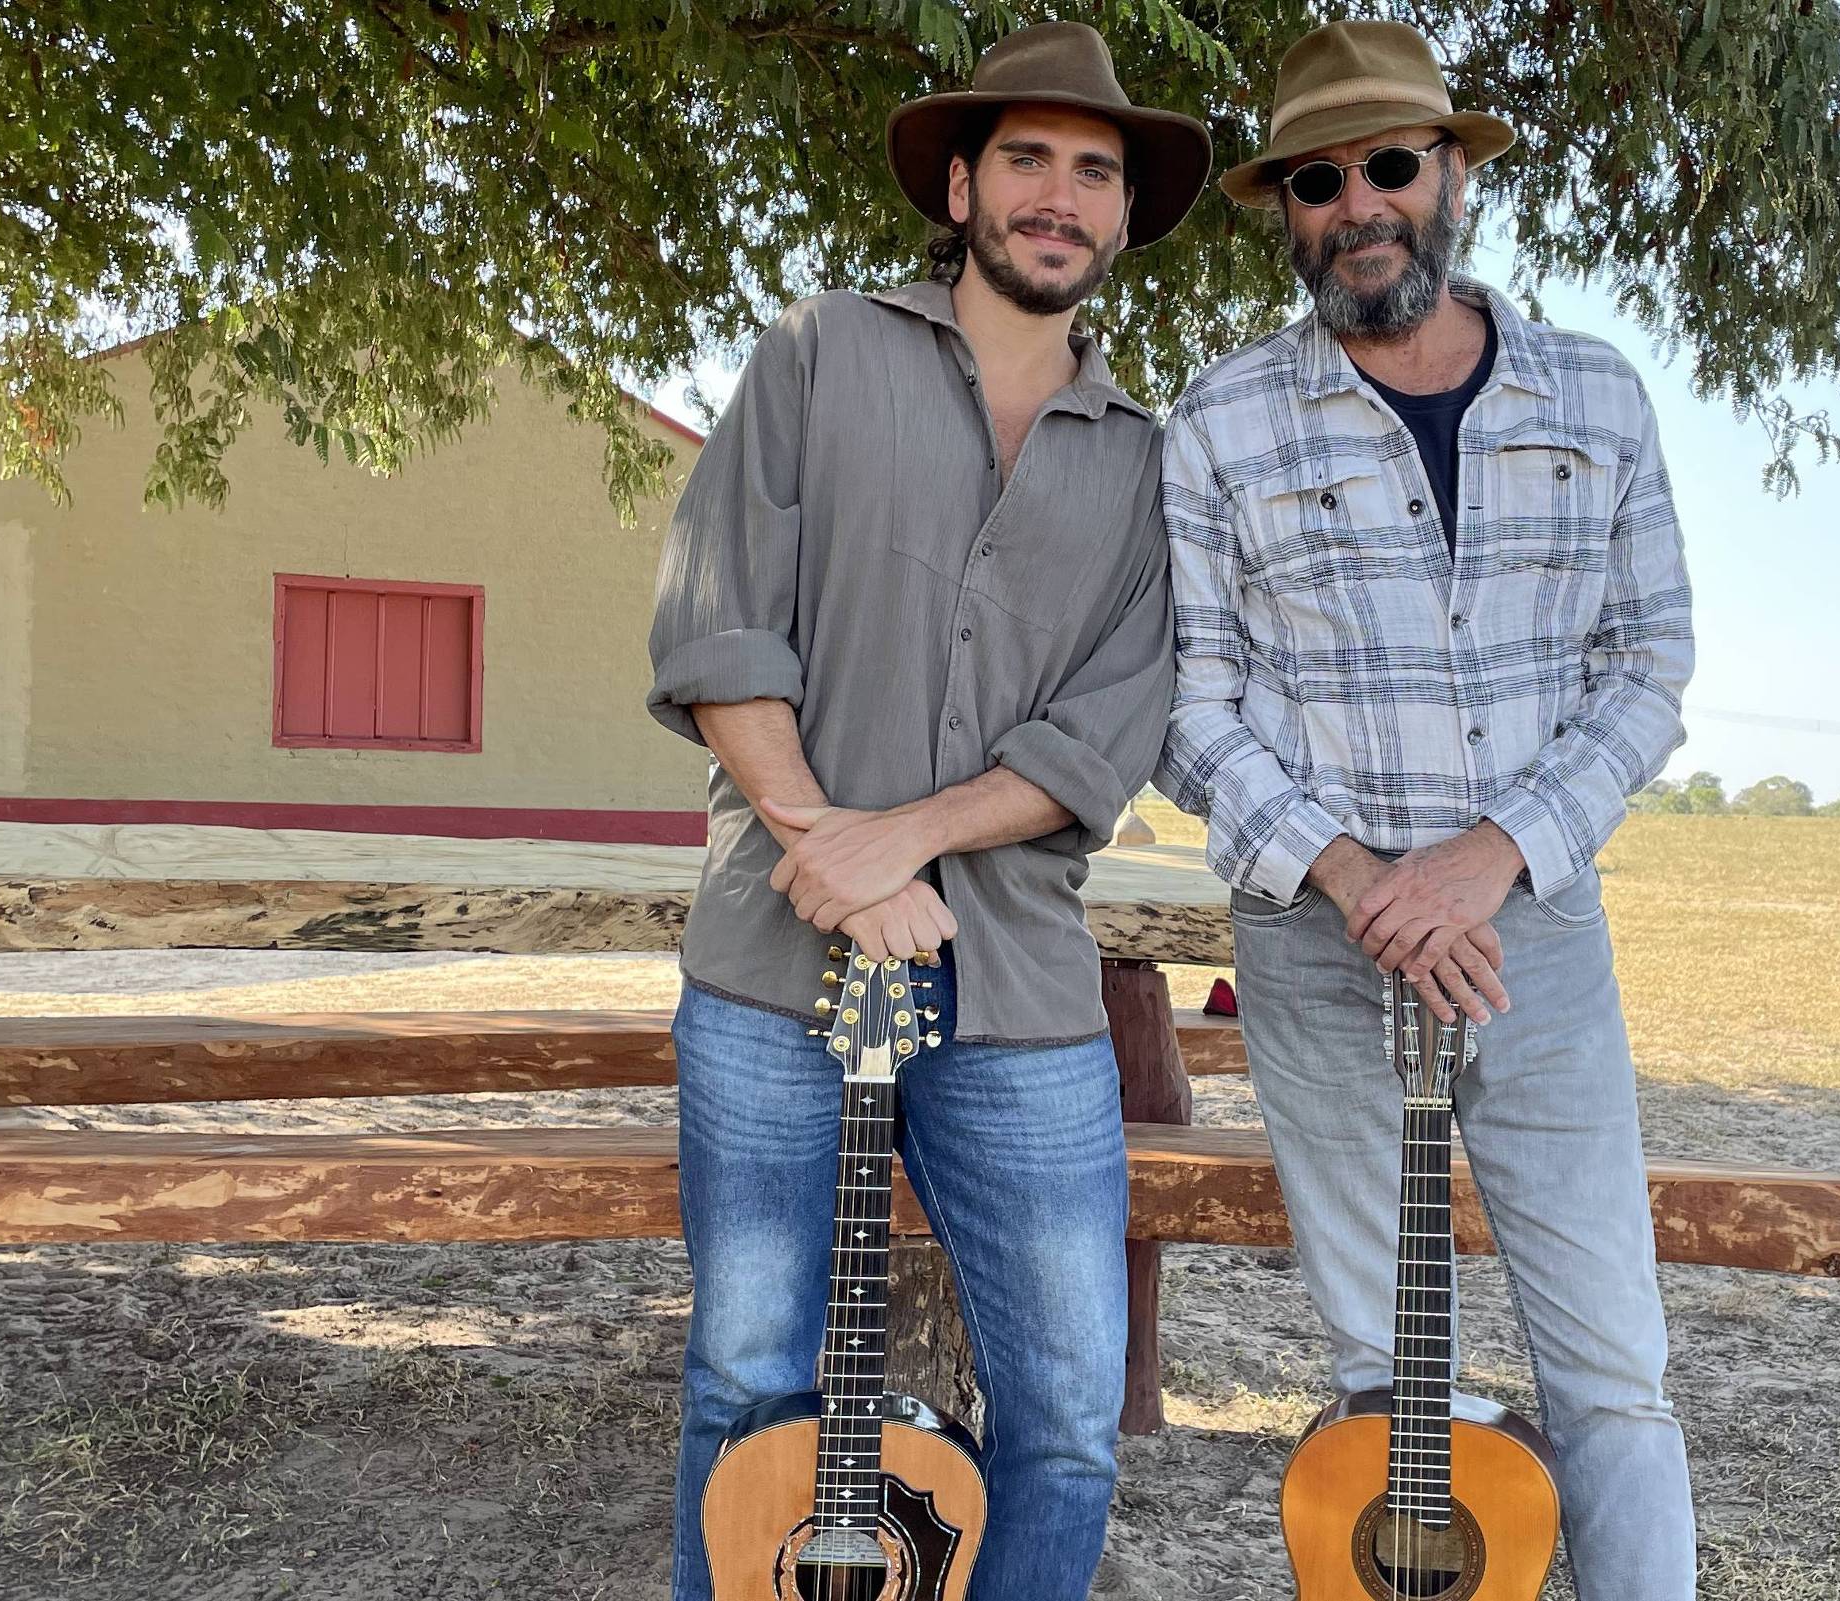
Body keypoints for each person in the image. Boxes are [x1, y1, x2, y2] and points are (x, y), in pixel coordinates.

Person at [643, 22, 1209, 1599]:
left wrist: (909, 837)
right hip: (772, 960)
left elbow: (1107, 730)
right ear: (960, 184)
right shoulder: (818, 355)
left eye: (1095, 173)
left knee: (1072, 1410)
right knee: (745, 1376)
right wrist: (826, 838)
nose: (1060, 194)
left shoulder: (1148, 468)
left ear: (1120, 221)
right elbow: (716, 625)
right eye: (1027, 157)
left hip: (1019, 984)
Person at [1155, 20, 1698, 1599]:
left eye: (1392, 163)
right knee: (1388, 1369)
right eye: (1319, 178)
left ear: (1452, 173)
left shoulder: (1597, 396)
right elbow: (1193, 704)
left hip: (1532, 935)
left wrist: (1486, 857)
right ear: (1285, 207)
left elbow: (1649, 664)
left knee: (1609, 1355)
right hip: (1322, 954)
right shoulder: (1221, 422)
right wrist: (1355, 876)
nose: (1359, 202)